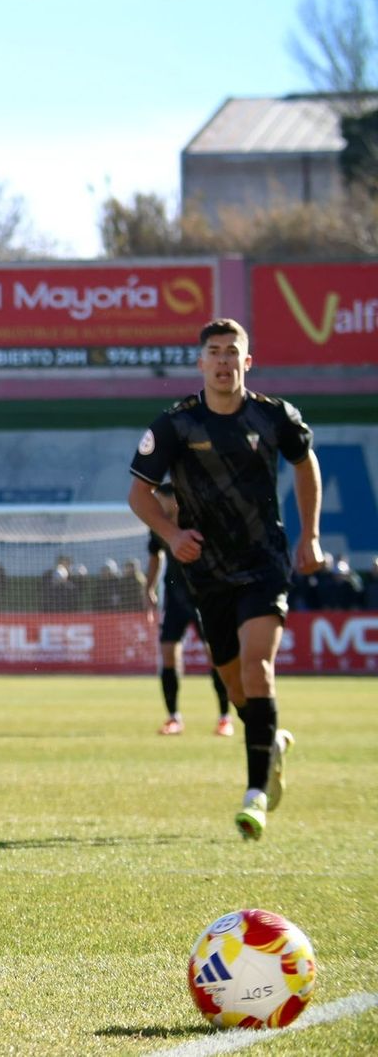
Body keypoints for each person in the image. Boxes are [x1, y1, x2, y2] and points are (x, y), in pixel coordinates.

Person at [129, 317, 322, 841]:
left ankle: (255, 794)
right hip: (206, 573)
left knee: (258, 669)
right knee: (235, 684)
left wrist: (311, 535)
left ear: (247, 362)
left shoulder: (274, 415)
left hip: (264, 563)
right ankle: (270, 739)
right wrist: (170, 534)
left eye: (232, 352)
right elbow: (139, 494)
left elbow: (306, 464)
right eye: (213, 352)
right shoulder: (175, 424)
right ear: (200, 362)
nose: (222, 360)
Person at [144, 483, 231, 737]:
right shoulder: (159, 526)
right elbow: (155, 556)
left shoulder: (195, 519)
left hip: (204, 597)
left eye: (161, 498)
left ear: (174, 500)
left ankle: (225, 717)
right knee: (168, 652)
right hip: (175, 598)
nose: (158, 503)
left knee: (215, 655)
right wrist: (149, 588)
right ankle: (173, 718)